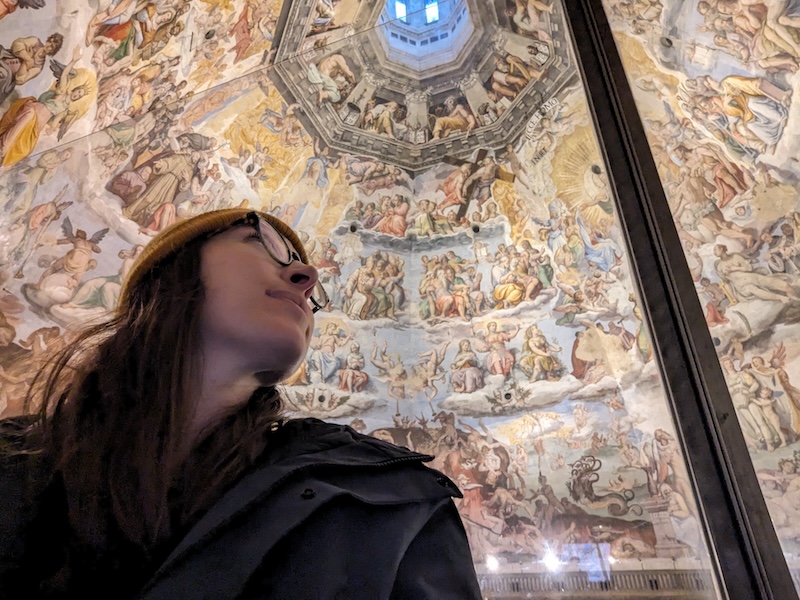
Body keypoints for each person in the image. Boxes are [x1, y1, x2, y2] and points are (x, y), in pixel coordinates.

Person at [0, 208, 481, 598]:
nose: (306, 275)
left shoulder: (396, 503)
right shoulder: (12, 466)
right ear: (170, 273)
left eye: (315, 293)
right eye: (265, 243)